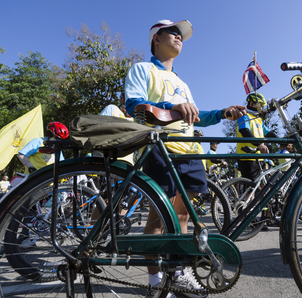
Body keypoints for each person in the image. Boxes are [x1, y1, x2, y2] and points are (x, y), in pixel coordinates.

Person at [124, 19, 245, 298]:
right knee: (157, 220)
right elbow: (134, 105)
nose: (179, 37)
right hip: (160, 148)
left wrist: (223, 112)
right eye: (173, 32)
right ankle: (156, 282)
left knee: (182, 217)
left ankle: (177, 273)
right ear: (156, 38)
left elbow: (196, 115)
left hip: (190, 152)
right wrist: (172, 107)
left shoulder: (182, 81)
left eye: (181, 35)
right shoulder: (142, 69)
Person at [236, 93, 278, 181]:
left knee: (265, 186)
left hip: (259, 157)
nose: (261, 107)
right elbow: (244, 131)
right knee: (251, 188)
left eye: (263, 105)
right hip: (246, 157)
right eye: (260, 105)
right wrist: (259, 144)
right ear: (251, 103)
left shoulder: (258, 119)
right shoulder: (244, 115)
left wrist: (283, 141)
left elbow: (268, 133)